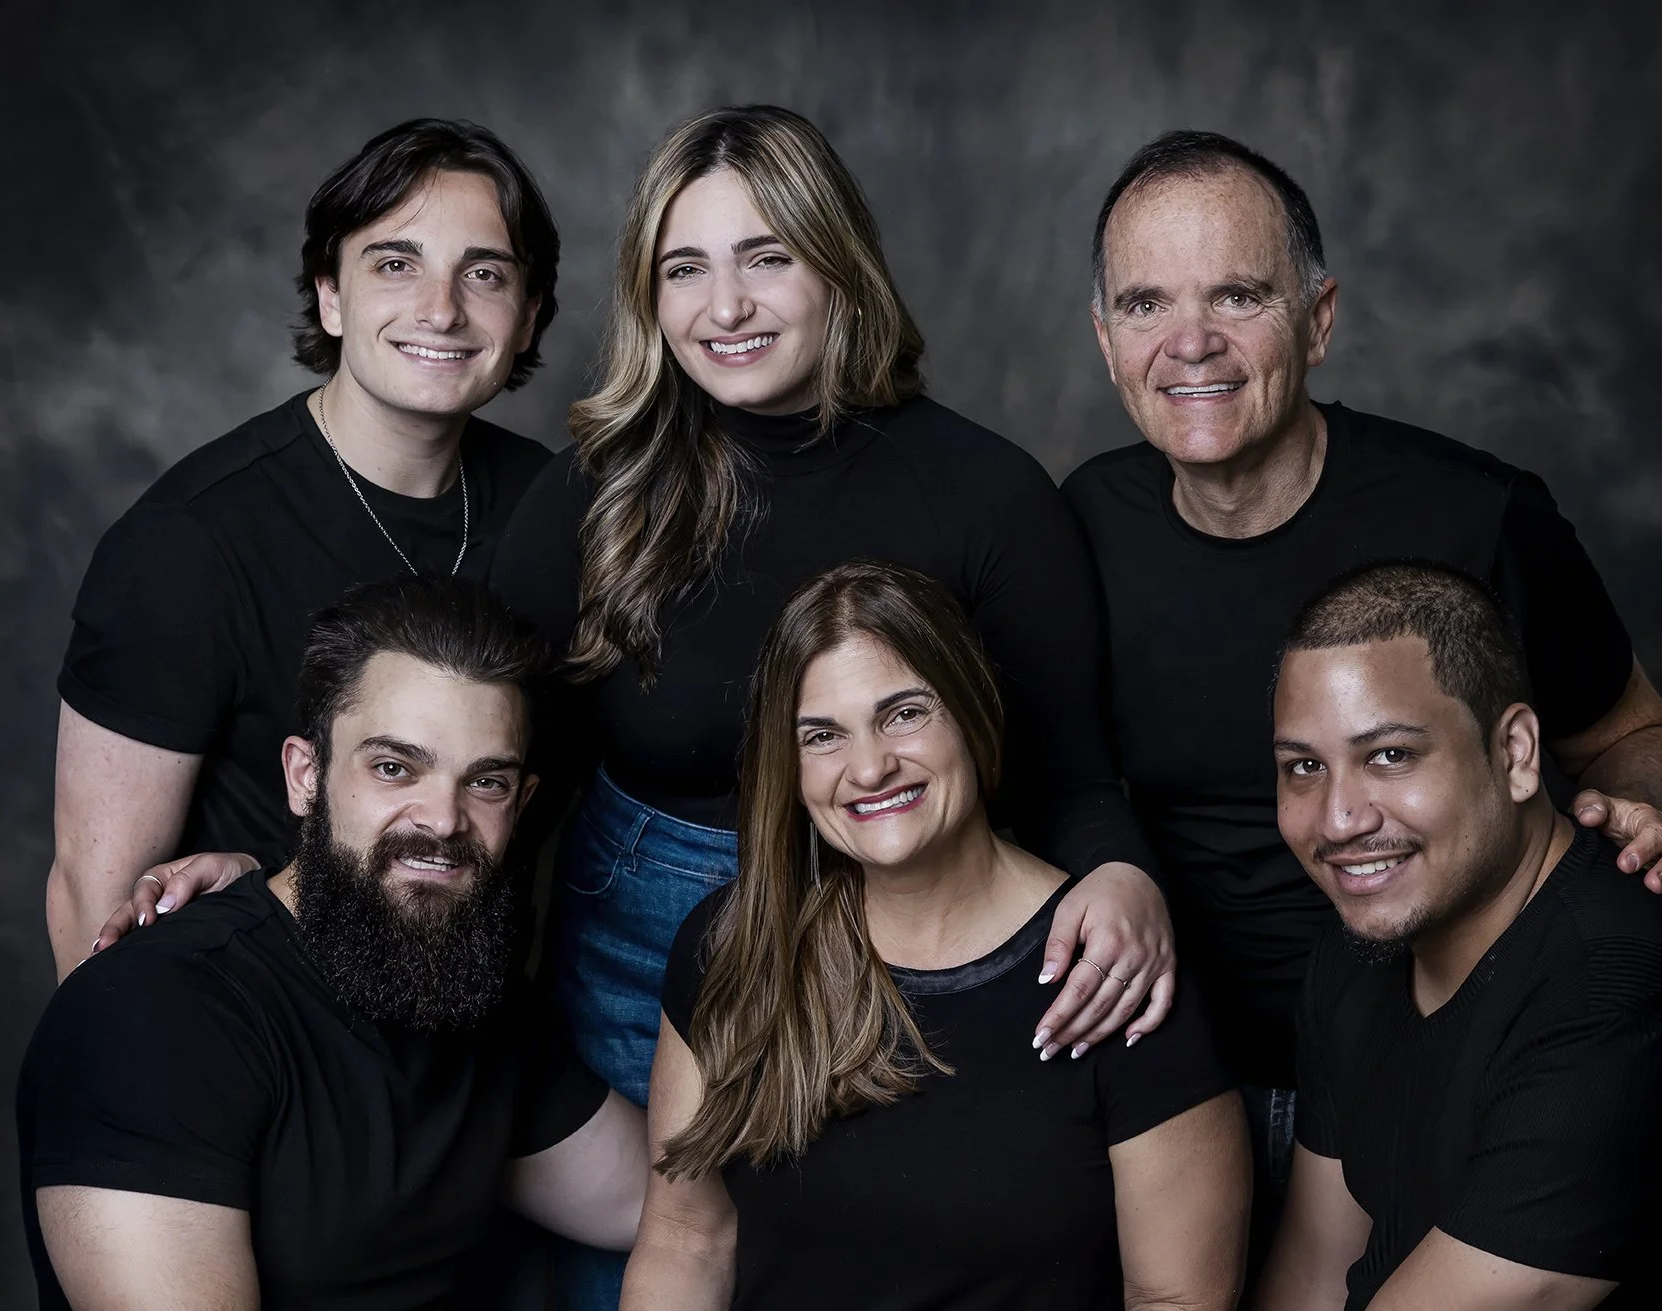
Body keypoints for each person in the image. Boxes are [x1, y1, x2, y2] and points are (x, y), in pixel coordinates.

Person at [489, 105, 1178, 1306]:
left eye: (767, 256)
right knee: (654, 1267)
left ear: (836, 262)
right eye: (685, 269)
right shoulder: (597, 495)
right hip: (643, 947)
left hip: (917, 946)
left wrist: (1121, 878)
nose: (726, 306)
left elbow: (1073, 777)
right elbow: (487, 769)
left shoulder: (987, 496)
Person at [1060, 130, 1662, 1246]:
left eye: (1238, 295)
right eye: (1144, 305)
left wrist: (1639, 817)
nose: (1190, 343)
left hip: (1430, 1073)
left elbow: (1639, 733)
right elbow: (1059, 781)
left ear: (1319, 319)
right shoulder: (1083, 524)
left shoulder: (1476, 516)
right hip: (1165, 1088)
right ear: (1105, 340)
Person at [623, 560, 1249, 1310]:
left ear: (970, 707)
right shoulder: (731, 949)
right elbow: (686, 1242)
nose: (870, 765)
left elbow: (1176, 1298)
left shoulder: (1113, 972)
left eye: (904, 713)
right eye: (822, 734)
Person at [18, 575, 648, 1309]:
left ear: (523, 802)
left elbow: (665, 1207)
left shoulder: (468, 982)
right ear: (304, 776)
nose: (443, 818)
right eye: (393, 767)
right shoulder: (153, 1017)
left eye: (486, 782)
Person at [48, 117, 559, 976]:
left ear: (530, 313)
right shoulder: (188, 542)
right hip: (266, 1028)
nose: (442, 308)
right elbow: (92, 903)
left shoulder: (558, 507)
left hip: (485, 1028)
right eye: (396, 264)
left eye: (485, 274)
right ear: (330, 293)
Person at [1252, 563, 1662, 1310]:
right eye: (1303, 766)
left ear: (1517, 752)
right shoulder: (1355, 946)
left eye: (1390, 755)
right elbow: (1314, 1270)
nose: (1338, 820)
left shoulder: (1621, 981)